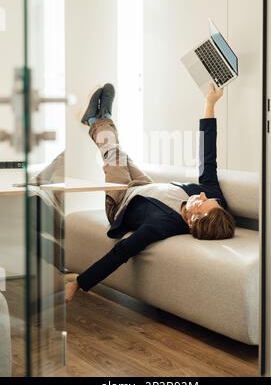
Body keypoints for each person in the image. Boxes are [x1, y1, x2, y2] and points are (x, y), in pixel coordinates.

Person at [65, 82, 235, 302]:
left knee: (112, 152)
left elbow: (122, 252)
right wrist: (210, 103)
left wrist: (79, 283)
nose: (203, 195)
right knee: (117, 152)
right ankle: (96, 119)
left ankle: (97, 119)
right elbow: (208, 154)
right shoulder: (214, 198)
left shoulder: (162, 225)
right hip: (144, 185)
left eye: (201, 202)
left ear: (192, 222)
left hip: (120, 202)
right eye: (209, 198)